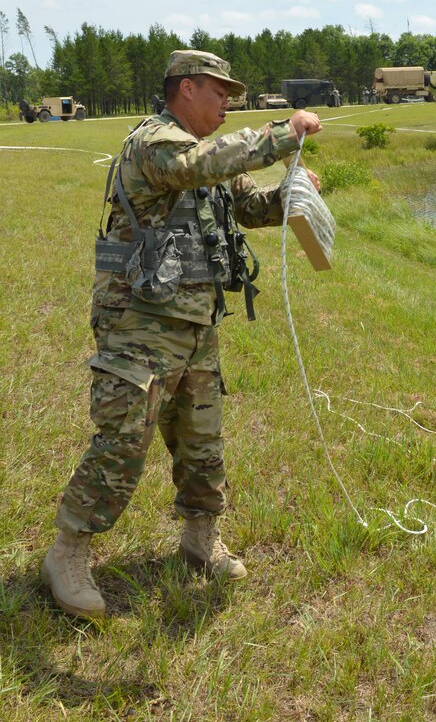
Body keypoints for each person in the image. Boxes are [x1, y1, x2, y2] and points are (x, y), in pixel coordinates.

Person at [41, 50, 322, 618]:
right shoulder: (157, 143)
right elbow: (194, 168)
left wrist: (293, 193)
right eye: (219, 92)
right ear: (186, 89)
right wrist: (282, 134)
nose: (227, 103)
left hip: (196, 321)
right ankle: (67, 553)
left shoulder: (210, 159)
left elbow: (248, 206)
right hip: (139, 322)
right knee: (124, 439)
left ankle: (200, 538)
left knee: (202, 436)